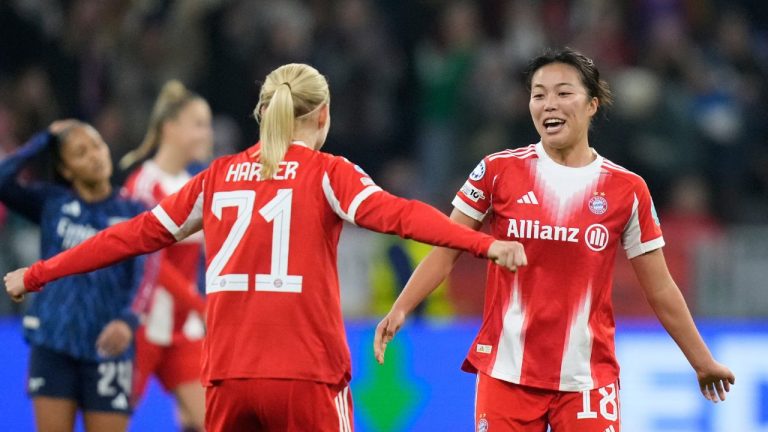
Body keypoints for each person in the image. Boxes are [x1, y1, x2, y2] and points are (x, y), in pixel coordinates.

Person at [4, 63, 527, 432]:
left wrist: (38, 274)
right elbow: (403, 216)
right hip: (306, 376)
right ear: (322, 115)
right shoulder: (328, 173)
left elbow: (127, 237)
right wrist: (484, 244)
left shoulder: (218, 177)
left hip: (229, 378)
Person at [373, 48, 735, 432]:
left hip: (587, 379)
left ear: (592, 104)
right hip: (506, 374)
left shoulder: (626, 189)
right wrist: (401, 308)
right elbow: (447, 249)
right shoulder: (497, 171)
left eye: (563, 93)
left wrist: (702, 361)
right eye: (538, 94)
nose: (549, 104)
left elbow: (660, 288)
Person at [0, 121, 145, 432]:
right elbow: (2, 180)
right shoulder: (52, 203)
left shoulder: (134, 211)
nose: (95, 155)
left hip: (109, 346)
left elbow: (146, 275)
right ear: (66, 170)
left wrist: (128, 320)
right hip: (54, 343)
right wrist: (44, 138)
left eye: (97, 146)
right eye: (80, 152)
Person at [119, 80, 211, 431]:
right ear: (169, 128)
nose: (207, 133)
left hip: (182, 329)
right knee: (110, 421)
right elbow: (149, 264)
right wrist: (200, 305)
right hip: (140, 325)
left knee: (211, 422)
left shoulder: (196, 186)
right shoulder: (143, 184)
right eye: (199, 124)